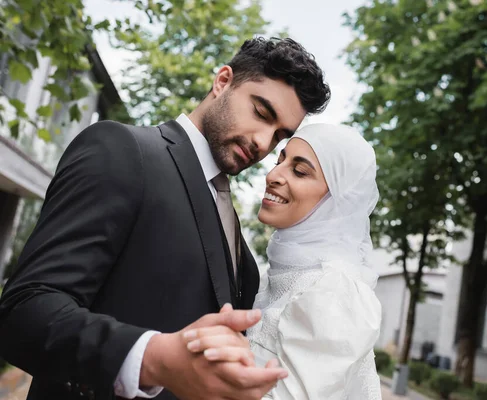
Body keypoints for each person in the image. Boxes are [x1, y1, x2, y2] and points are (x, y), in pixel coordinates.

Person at [0, 37, 330, 400]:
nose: (264, 143)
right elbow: (22, 312)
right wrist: (153, 358)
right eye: (262, 113)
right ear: (222, 82)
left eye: (280, 136)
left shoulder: (236, 236)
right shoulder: (123, 150)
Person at [184, 123, 383, 399]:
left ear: (337, 201)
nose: (274, 175)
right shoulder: (288, 272)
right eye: (281, 159)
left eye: (300, 171)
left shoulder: (334, 289)